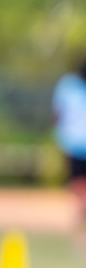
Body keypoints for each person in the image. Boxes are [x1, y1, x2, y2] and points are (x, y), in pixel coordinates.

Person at [54, 58, 86, 241]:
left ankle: (82, 216)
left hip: (72, 144)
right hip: (74, 144)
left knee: (79, 187)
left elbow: (58, 114)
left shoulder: (68, 85)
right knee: (79, 187)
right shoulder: (69, 86)